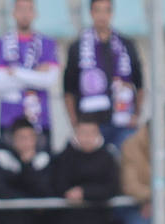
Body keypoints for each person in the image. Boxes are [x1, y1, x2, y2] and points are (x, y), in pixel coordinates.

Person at [63, 0, 143, 151]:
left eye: (106, 11)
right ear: (91, 13)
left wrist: (136, 115)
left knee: (125, 166)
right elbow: (68, 89)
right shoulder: (78, 47)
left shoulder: (126, 45)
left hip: (123, 121)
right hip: (90, 122)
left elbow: (139, 84)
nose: (102, 16)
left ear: (112, 13)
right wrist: (75, 122)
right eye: (98, 11)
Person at [0, 0, 61, 150]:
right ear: (13, 13)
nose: (25, 14)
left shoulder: (48, 43)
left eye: (29, 10)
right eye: (20, 9)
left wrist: (15, 72)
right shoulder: (0, 43)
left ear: (35, 13)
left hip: (40, 121)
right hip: (9, 120)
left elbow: (49, 80)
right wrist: (35, 74)